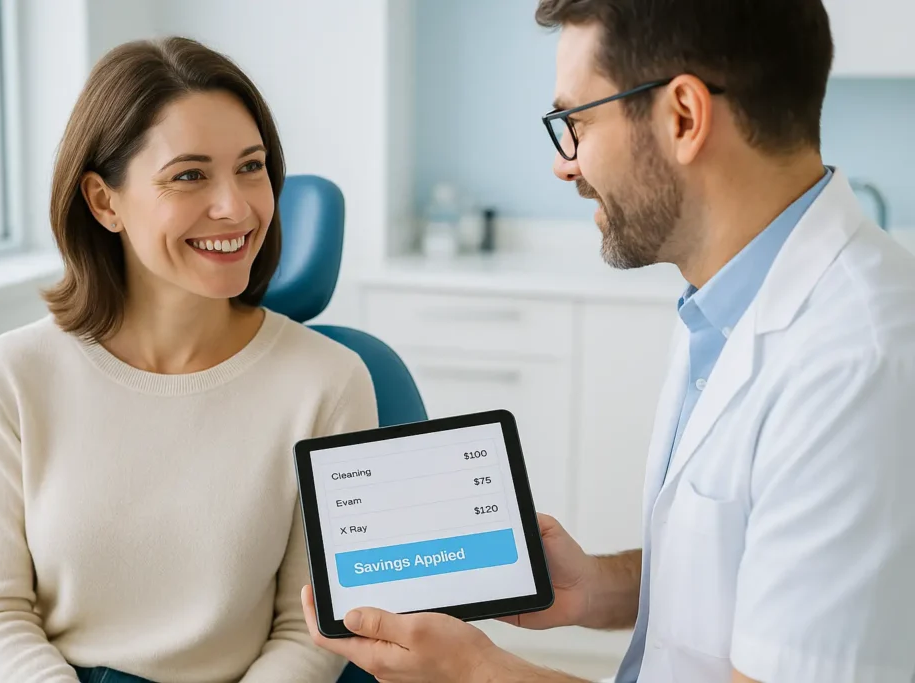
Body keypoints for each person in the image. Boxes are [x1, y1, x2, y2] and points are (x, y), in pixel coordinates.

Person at [303, 1, 915, 681]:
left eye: (578, 123)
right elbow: (754, 559)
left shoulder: (860, 364)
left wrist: (477, 673)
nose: (565, 167)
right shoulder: (727, 298)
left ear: (683, 116)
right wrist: (600, 586)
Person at [0, 37, 376, 683]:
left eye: (252, 166)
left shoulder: (329, 380)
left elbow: (311, 626)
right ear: (104, 201)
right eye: (189, 174)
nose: (236, 207)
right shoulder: (13, 373)